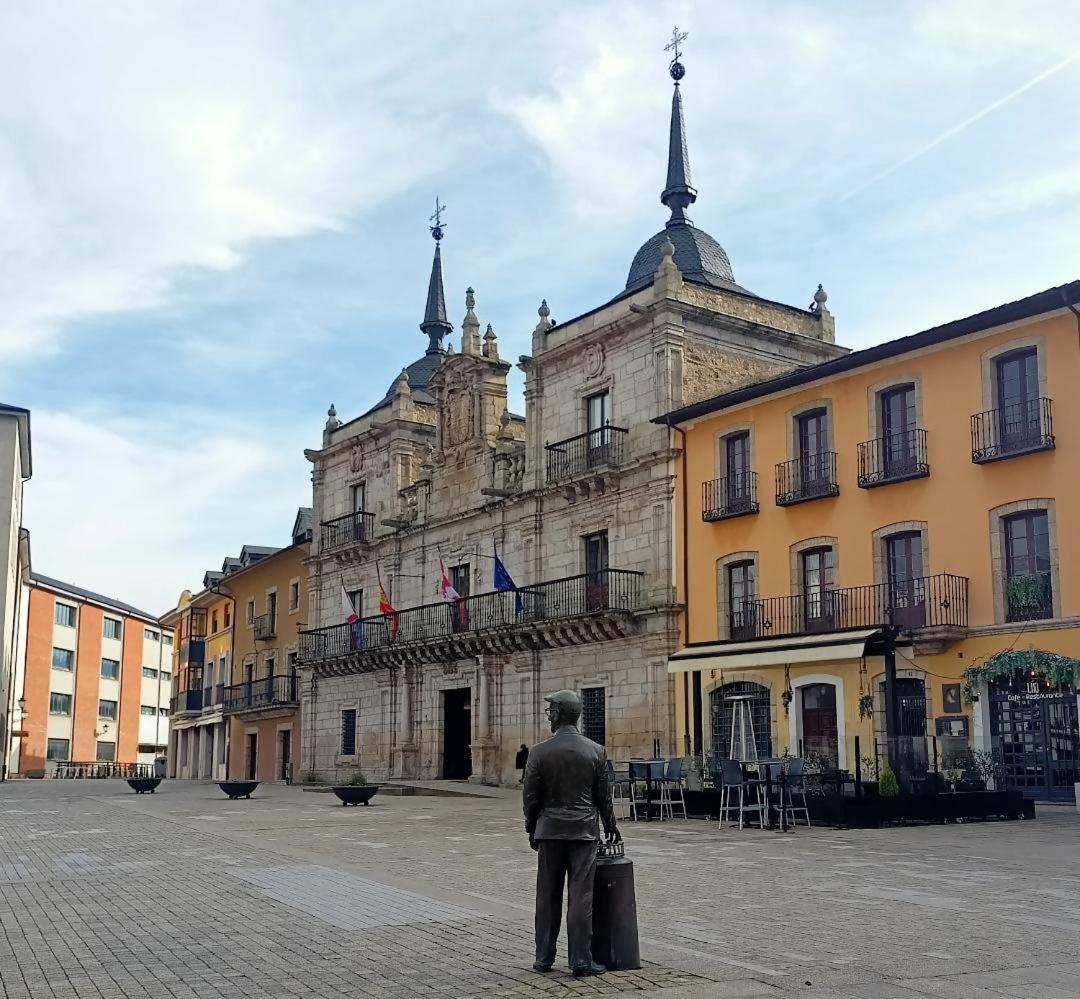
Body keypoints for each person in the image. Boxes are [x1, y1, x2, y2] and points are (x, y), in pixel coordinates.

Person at [522, 689, 619, 978]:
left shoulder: (539, 752)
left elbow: (530, 797)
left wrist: (532, 828)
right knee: (581, 896)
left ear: (562, 713)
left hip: (549, 831)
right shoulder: (596, 751)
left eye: (551, 711)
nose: (548, 715)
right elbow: (604, 796)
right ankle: (580, 960)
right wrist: (610, 824)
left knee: (547, 896)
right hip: (583, 832)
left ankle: (543, 957)